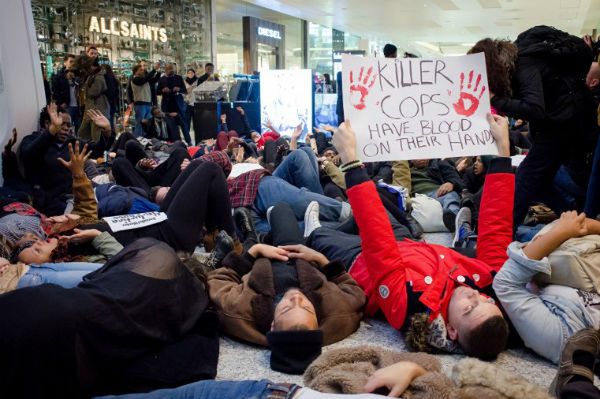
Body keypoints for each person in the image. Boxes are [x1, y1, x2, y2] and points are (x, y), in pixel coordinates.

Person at [307, 115, 514, 360]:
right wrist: (502, 153)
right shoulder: (487, 286)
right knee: (378, 200)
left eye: (469, 309)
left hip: (358, 259)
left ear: (451, 330)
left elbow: (379, 245)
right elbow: (497, 231)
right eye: (485, 301)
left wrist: (351, 162)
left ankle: (321, 225)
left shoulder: (411, 307)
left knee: (309, 235)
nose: (474, 296)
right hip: (406, 241)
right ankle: (345, 216)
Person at [0, 238, 220, 398]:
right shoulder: (183, 314)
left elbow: (98, 274)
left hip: (47, 304)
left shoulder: (156, 253)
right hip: (62, 346)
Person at [208, 202, 365, 374]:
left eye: (287, 308)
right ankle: (306, 233)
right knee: (281, 209)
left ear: (273, 325)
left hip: (259, 260)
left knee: (257, 233)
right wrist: (321, 259)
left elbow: (218, 279)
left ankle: (253, 238)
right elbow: (353, 290)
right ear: (318, 322)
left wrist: (253, 253)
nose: (296, 298)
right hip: (295, 253)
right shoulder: (337, 313)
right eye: (306, 307)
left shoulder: (239, 312)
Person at [481, 28, 596, 227]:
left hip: (563, 126)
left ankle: (505, 233)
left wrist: (496, 100)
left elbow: (534, 108)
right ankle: (577, 218)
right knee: (540, 181)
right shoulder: (521, 62)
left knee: (527, 177)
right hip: (567, 123)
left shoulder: (524, 64)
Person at [493, 212, 600, 364]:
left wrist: (561, 232)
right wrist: (567, 229)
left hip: (534, 254)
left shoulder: (566, 339)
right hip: (547, 249)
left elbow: (505, 283)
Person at [19, 104, 77, 215]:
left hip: (71, 198)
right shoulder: (31, 140)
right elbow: (28, 154)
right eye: (62, 124)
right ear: (47, 124)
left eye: (68, 125)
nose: (66, 128)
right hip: (47, 202)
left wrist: (106, 132)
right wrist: (51, 132)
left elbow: (95, 148)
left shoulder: (71, 142)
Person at [409, 158, 464, 232]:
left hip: (438, 193)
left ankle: (454, 219)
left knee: (451, 195)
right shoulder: (405, 171)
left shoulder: (439, 164)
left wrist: (451, 183)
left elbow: (457, 179)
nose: (421, 158)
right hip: (417, 198)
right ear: (411, 159)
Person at [75, 55, 110, 142]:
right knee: (82, 134)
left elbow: (93, 92)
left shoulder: (99, 76)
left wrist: (85, 86)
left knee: (96, 136)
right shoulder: (93, 76)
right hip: (91, 110)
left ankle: (97, 153)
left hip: (98, 110)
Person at [157, 63, 190, 144]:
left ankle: (188, 142)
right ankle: (172, 142)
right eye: (169, 69)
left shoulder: (179, 78)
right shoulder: (161, 79)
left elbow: (185, 91)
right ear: (165, 70)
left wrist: (179, 89)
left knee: (183, 125)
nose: (171, 70)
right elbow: (157, 92)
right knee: (170, 125)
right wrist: (162, 90)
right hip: (167, 106)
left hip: (178, 105)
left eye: (172, 69)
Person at [127, 63, 154, 137]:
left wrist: (157, 71)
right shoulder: (135, 79)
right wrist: (154, 69)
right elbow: (143, 80)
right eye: (140, 70)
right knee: (139, 124)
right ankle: (137, 140)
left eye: (143, 70)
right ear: (135, 72)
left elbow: (153, 80)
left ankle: (146, 140)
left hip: (148, 104)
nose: (143, 71)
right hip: (140, 105)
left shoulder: (145, 79)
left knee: (148, 124)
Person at [184, 68, 199, 140]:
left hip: (196, 104)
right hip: (188, 104)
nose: (190, 74)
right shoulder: (184, 82)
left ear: (194, 73)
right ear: (187, 74)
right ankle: (188, 139)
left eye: (192, 73)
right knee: (187, 122)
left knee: (196, 122)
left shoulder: (198, 81)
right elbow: (182, 93)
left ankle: (198, 138)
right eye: (189, 73)